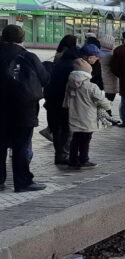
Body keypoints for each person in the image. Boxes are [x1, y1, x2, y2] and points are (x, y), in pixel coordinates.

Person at [0, 24, 49, 192]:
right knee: (21, 146)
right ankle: (22, 182)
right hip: (23, 109)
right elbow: (44, 78)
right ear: (21, 39)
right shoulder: (28, 56)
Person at [64, 43, 113, 170]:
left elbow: (66, 99)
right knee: (86, 139)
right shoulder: (91, 86)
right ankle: (84, 159)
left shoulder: (70, 83)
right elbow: (101, 100)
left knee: (76, 138)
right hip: (87, 116)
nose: (97, 58)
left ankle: (72, 160)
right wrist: (108, 105)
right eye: (95, 56)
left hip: (75, 115)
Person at [43, 35, 79, 166]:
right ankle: (63, 154)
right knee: (66, 128)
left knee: (57, 128)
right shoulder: (73, 65)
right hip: (64, 99)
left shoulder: (58, 60)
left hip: (52, 98)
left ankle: (59, 154)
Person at [98, 35, 118, 102]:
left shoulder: (98, 53)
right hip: (110, 82)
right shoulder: (111, 55)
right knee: (108, 102)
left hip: (101, 80)